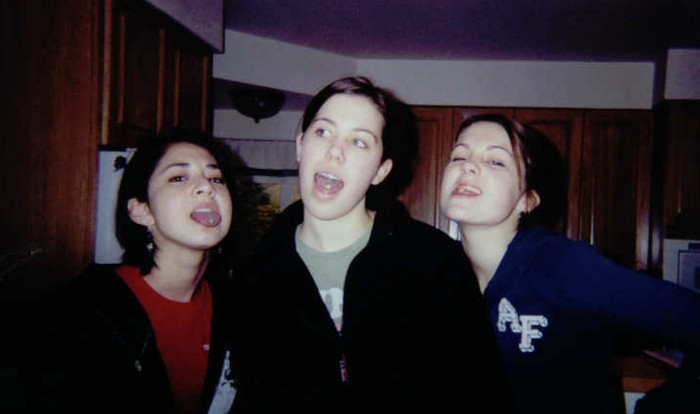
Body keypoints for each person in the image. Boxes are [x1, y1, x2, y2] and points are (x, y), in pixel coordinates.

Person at [230, 77, 514, 413]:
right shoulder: (254, 272)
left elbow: (481, 393)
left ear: (380, 171)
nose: (335, 151)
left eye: (359, 142)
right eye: (323, 132)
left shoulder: (434, 261)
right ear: (301, 146)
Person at [438, 113, 700, 414]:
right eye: (459, 156)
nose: (468, 166)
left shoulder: (562, 264)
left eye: (495, 161)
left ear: (527, 199)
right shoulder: (441, 273)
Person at [34, 130, 239, 413]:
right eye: (178, 177)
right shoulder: (81, 311)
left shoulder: (237, 309)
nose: (207, 186)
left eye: (216, 178)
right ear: (142, 211)